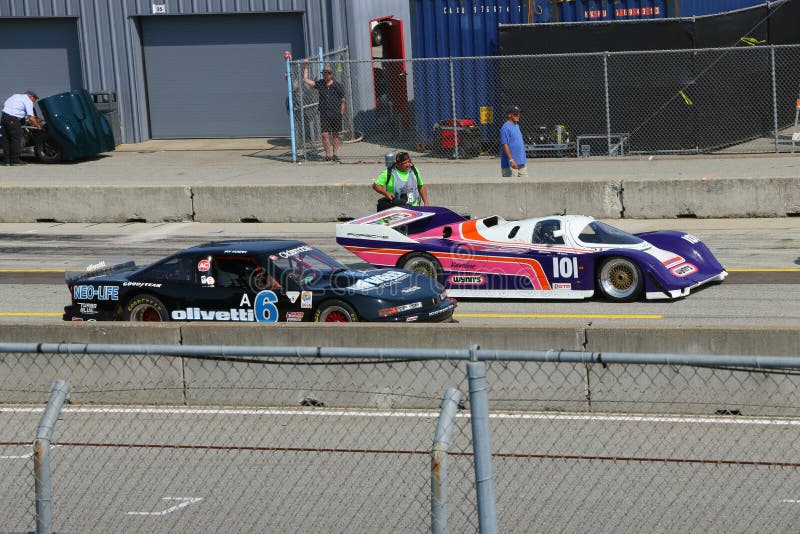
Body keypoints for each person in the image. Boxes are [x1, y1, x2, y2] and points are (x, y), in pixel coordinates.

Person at [303, 60, 345, 162]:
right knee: (325, 134)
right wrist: (306, 66)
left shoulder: (337, 85)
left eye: (327, 74)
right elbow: (305, 80)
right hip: (324, 114)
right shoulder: (320, 84)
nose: (326, 76)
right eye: (324, 74)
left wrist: (341, 112)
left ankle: (335, 154)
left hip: (335, 114)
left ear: (331, 74)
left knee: (335, 134)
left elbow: (343, 100)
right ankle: (328, 155)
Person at [1, 90, 41, 166]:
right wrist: (38, 126)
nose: (34, 101)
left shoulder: (15, 96)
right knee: (15, 139)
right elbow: (31, 118)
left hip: (4, 117)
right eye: (35, 99)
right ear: (31, 96)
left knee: (6, 140)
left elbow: (4, 106)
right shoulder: (28, 101)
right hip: (13, 119)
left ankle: (6, 161)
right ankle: (15, 160)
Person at [500, 104, 527, 178]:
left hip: (521, 163)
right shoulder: (505, 128)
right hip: (510, 165)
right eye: (515, 114)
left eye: (519, 114)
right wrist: (511, 160)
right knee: (511, 188)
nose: (518, 115)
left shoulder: (517, 126)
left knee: (525, 185)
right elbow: (505, 145)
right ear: (509, 115)